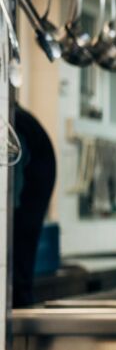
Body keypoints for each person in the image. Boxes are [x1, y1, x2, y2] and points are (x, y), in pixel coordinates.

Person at [12, 103, 56, 308]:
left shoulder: (14, 127)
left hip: (22, 206)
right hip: (23, 202)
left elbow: (11, 200)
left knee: (17, 269)